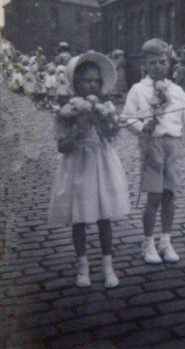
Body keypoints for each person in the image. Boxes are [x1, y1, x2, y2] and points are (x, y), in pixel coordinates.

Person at [48, 51, 130, 288]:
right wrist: (79, 130)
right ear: (76, 82)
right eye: (87, 80)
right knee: (80, 217)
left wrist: (106, 122)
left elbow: (111, 137)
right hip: (78, 164)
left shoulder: (105, 107)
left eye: (96, 80)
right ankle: (82, 266)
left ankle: (108, 265)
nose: (93, 85)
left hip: (102, 164)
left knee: (104, 216)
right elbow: (62, 146)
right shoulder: (69, 110)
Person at [122, 38, 185, 264]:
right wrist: (142, 127)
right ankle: (148, 242)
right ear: (144, 63)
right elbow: (127, 118)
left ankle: (166, 240)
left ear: (169, 62)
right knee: (154, 196)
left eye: (162, 62)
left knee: (170, 194)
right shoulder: (138, 89)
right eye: (152, 62)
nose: (158, 66)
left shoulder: (177, 90)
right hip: (151, 145)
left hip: (173, 145)